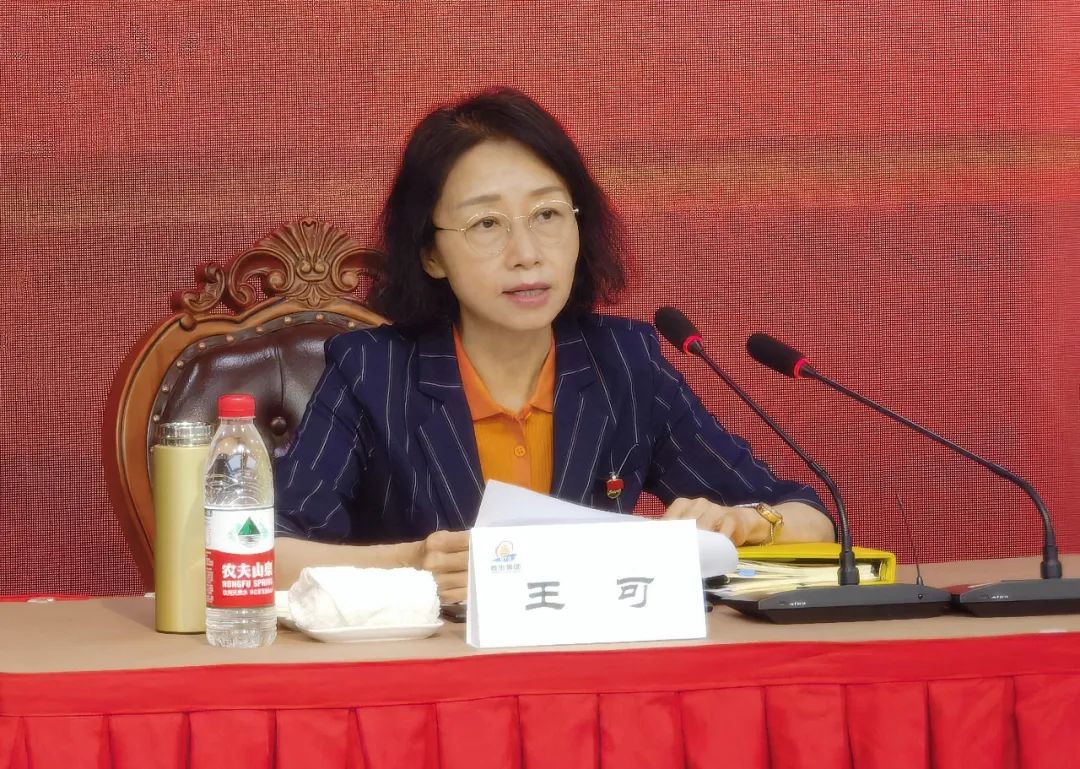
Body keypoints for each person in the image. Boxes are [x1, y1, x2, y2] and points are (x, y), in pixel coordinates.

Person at [275, 88, 835, 602]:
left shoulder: (625, 364)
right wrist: (410, 564)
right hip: (431, 667)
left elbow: (813, 520)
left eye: (547, 214)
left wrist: (748, 522)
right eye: (486, 224)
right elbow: (260, 552)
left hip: (592, 664)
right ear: (431, 254)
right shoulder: (373, 373)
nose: (527, 253)